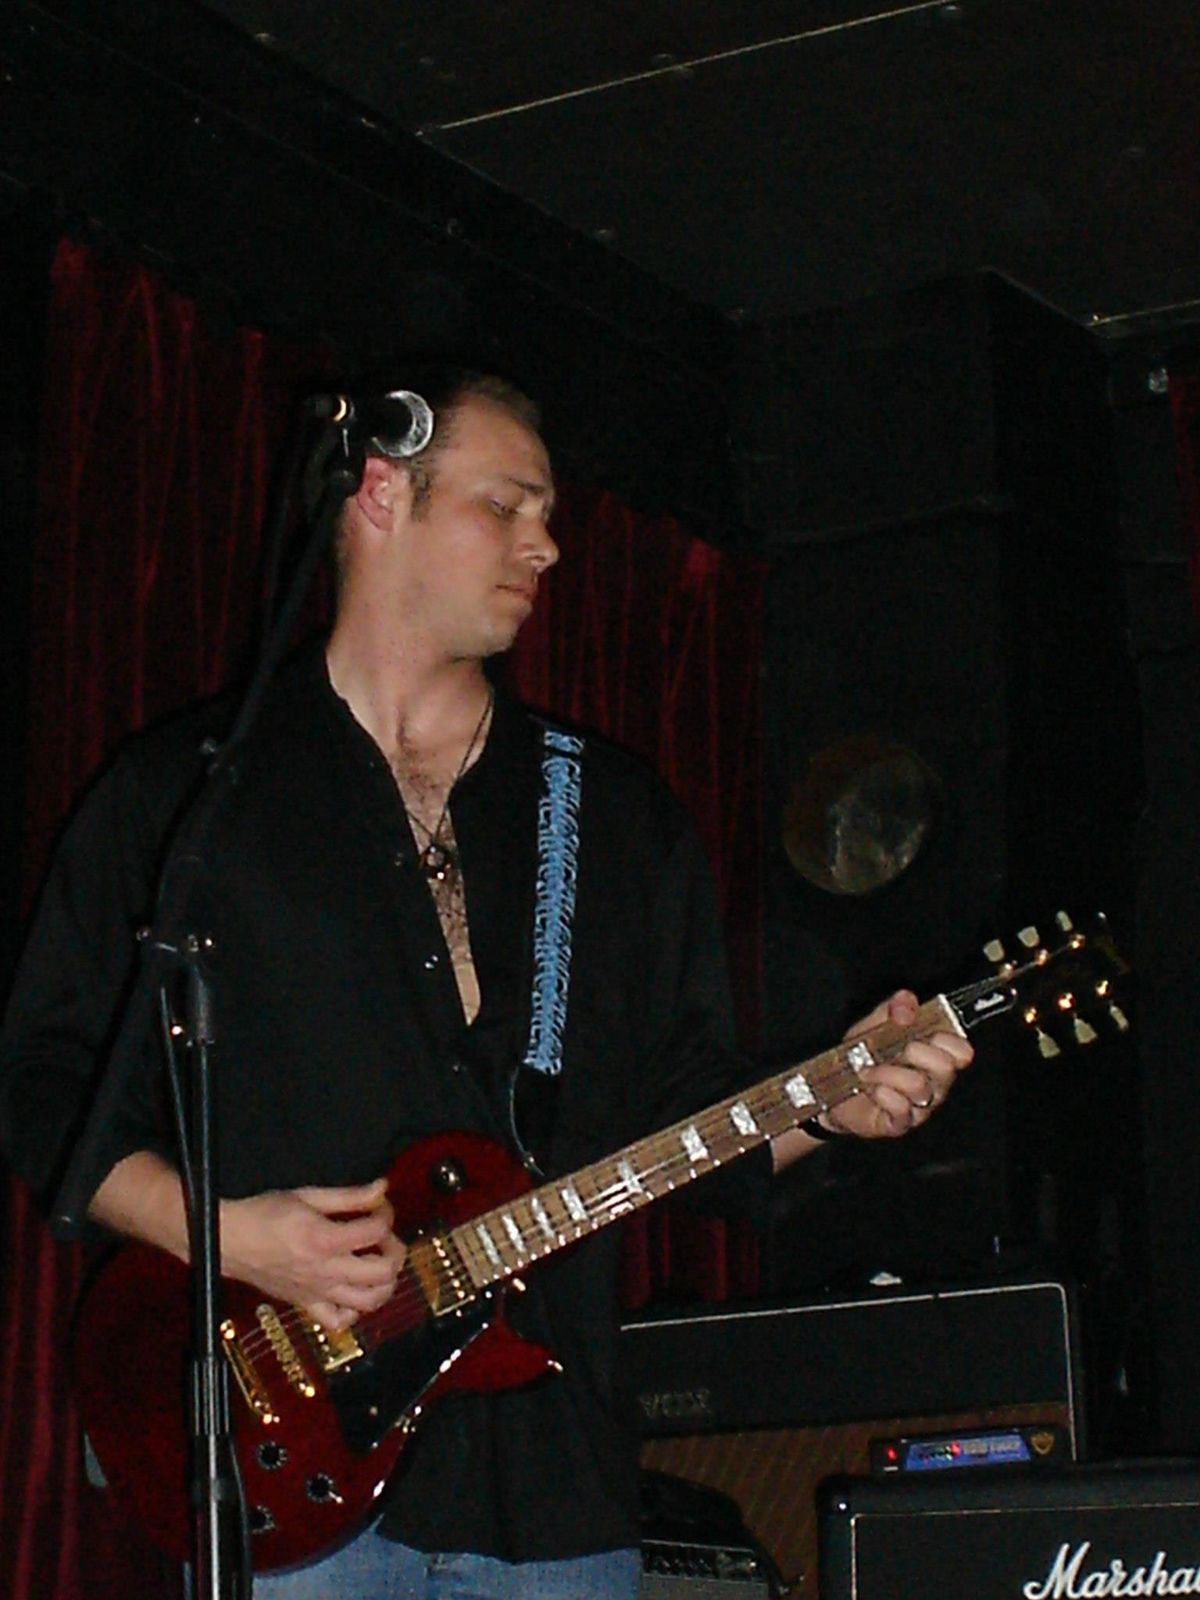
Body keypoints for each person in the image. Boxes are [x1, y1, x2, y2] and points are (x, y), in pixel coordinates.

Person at [0, 367, 972, 1600]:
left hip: (554, 1488)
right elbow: (46, 1087)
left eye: (549, 514)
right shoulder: (188, 795)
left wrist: (831, 1104)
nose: (546, 546)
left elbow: (686, 1109)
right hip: (286, 1488)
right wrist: (234, 1236)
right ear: (379, 492)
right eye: (506, 505)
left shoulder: (615, 815)